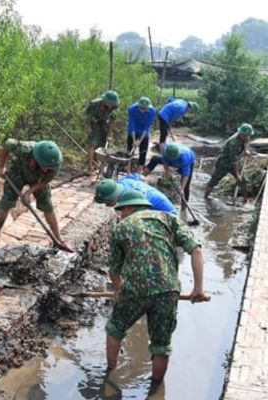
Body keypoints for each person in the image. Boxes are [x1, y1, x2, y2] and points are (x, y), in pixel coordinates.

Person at [105, 190, 205, 394]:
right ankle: (155, 389)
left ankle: (109, 372)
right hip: (168, 289)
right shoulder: (169, 219)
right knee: (161, 344)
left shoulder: (121, 227)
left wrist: (119, 289)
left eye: (121, 211)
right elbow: (196, 250)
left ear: (127, 208)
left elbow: (114, 271)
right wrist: (198, 288)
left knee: (115, 328)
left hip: (135, 289)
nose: (121, 215)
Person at [0, 139, 74, 254]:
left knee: (47, 205)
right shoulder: (25, 149)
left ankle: (59, 238)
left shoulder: (54, 164)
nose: (47, 169)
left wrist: (29, 192)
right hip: (17, 171)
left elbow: (45, 181)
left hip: (38, 178)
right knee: (6, 203)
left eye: (49, 168)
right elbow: (8, 144)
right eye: (45, 166)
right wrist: (1, 166)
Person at [204, 123, 254, 200]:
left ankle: (245, 201)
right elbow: (233, 161)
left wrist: (245, 150)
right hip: (224, 163)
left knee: (243, 181)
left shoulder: (245, 137)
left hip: (235, 162)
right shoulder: (233, 142)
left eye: (248, 135)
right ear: (241, 134)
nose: (248, 137)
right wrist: (237, 176)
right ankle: (206, 197)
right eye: (246, 135)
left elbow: (245, 142)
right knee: (214, 181)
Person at [94, 175, 176, 214]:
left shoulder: (131, 199)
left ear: (113, 196)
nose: (106, 205)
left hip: (165, 212)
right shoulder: (122, 182)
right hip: (157, 200)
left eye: (107, 201)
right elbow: (136, 176)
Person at [85, 90, 120, 174]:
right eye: (109, 103)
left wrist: (109, 134)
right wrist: (88, 127)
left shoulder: (114, 108)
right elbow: (87, 116)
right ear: (105, 101)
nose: (111, 106)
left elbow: (112, 122)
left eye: (112, 104)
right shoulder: (94, 104)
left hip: (105, 124)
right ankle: (90, 166)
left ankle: (97, 164)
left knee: (101, 146)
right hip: (94, 123)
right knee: (92, 144)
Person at [127, 97, 156, 173]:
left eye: (145, 109)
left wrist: (139, 141)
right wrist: (134, 140)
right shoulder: (132, 109)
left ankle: (139, 170)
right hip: (134, 128)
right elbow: (132, 124)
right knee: (130, 150)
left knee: (143, 150)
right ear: (138, 105)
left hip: (144, 129)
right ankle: (128, 169)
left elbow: (147, 127)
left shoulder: (152, 111)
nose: (143, 110)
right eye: (141, 108)